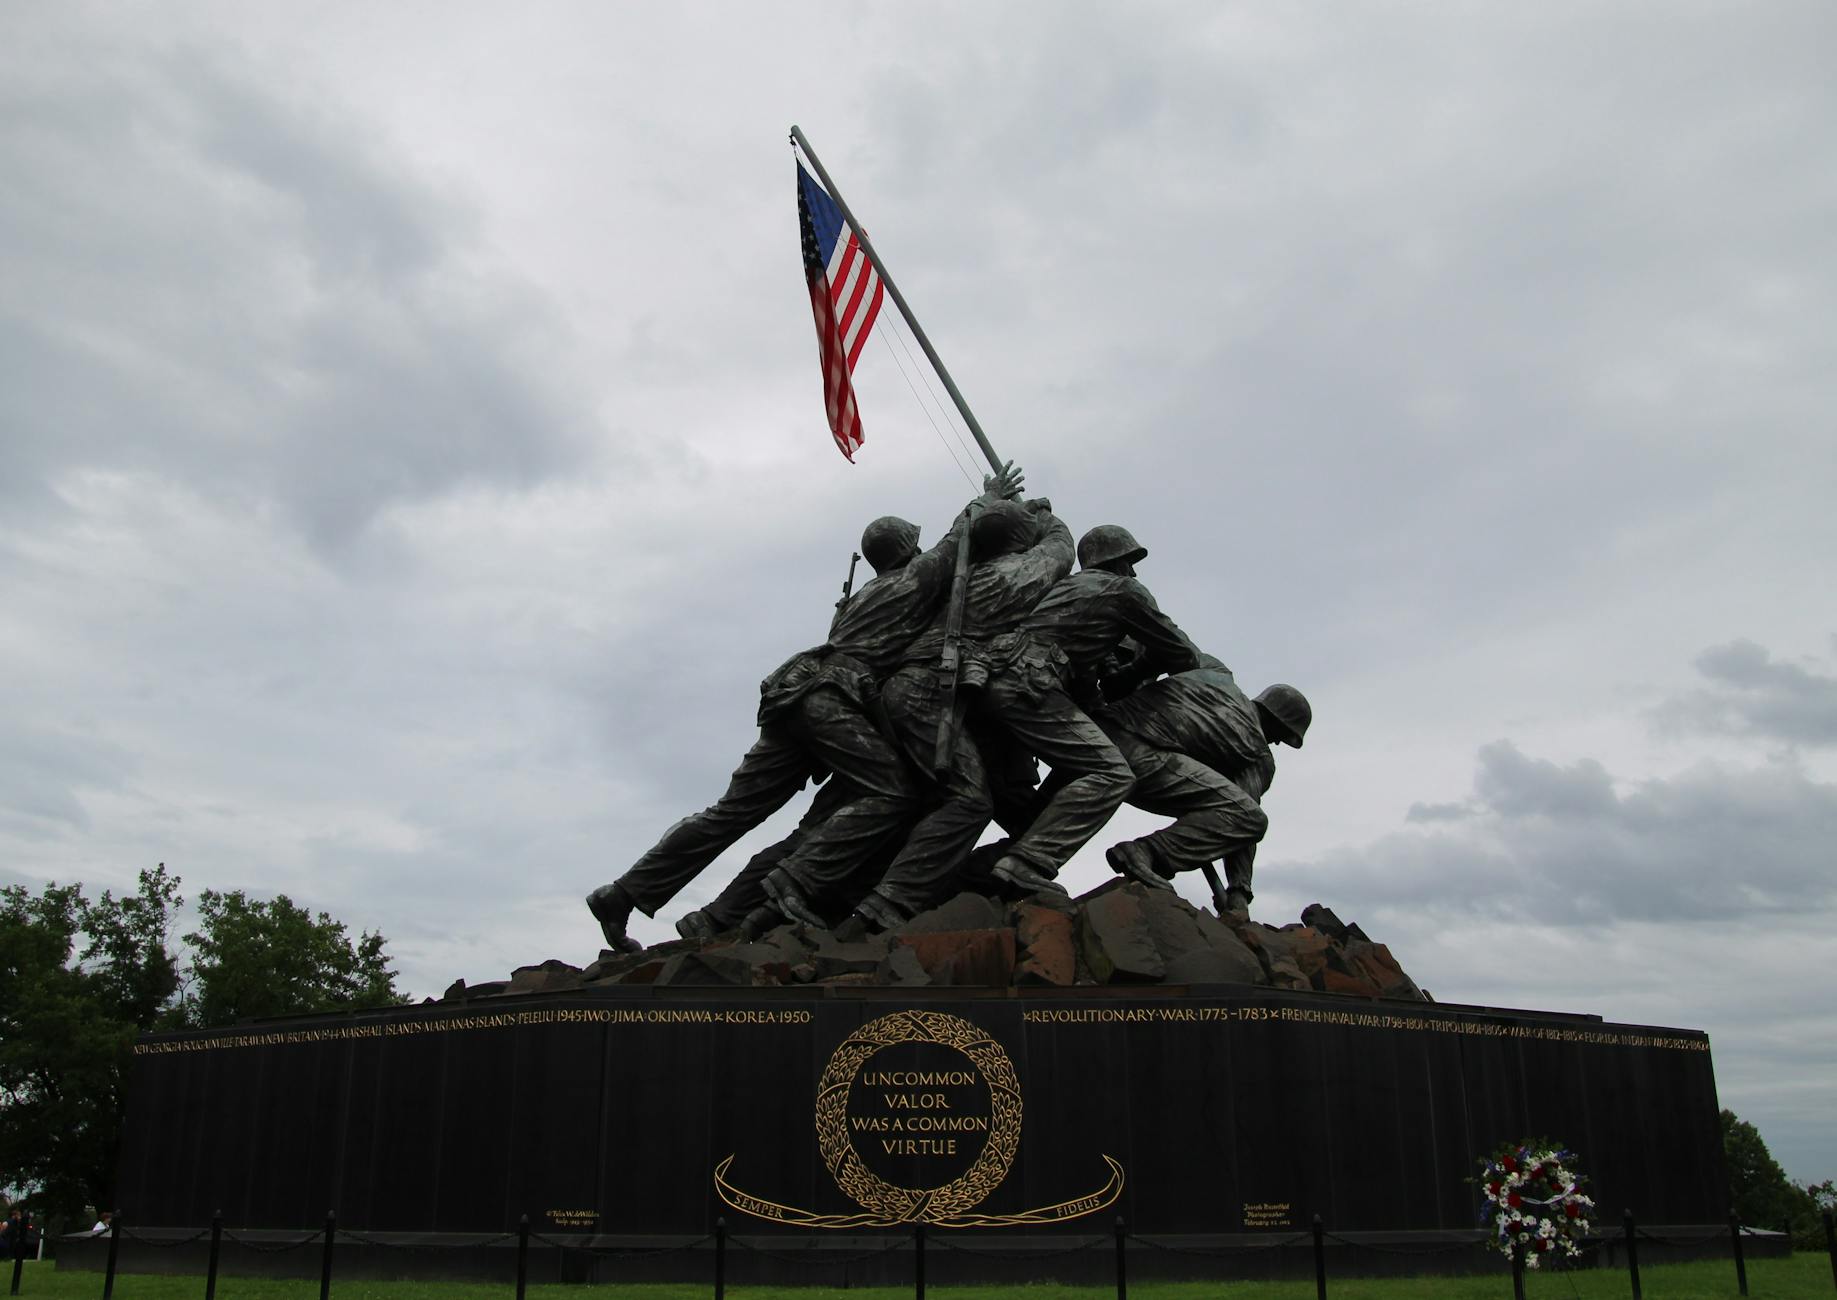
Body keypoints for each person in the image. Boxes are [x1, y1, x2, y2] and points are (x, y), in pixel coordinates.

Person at [587, 466, 1023, 949]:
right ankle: (793, 882)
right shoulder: (910, 582)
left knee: (730, 813)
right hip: (829, 700)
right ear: (908, 550)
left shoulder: (863, 597)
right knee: (893, 793)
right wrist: (989, 498)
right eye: (915, 546)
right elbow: (956, 541)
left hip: (793, 695)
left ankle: (624, 892)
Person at [819, 496, 1074, 933]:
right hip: (927, 695)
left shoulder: (946, 584)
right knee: (970, 801)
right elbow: (1061, 551)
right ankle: (883, 905)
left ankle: (954, 881)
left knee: (983, 805)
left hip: (908, 699)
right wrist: (1046, 517)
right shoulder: (1009, 576)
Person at [973, 523, 1202, 894]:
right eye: (1129, 561)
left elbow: (1082, 678)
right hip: (1027, 684)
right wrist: (1143, 667)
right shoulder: (1123, 591)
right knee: (1113, 775)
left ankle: (977, 871)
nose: (1133, 571)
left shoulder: (1066, 592)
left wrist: (1099, 706)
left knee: (1020, 801)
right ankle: (1025, 864)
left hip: (999, 681)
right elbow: (1183, 653)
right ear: (1116, 562)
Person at [1092, 657, 1311, 916]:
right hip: (1145, 760)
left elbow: (1160, 650)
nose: (1276, 743)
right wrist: (1239, 893)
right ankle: (1147, 851)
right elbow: (1242, 820)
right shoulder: (1257, 752)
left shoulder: (1214, 674)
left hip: (1099, 730)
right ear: (1277, 722)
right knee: (1249, 818)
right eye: (1282, 737)